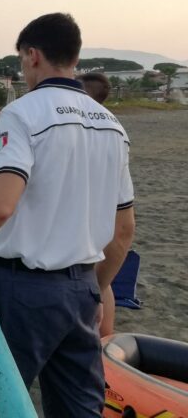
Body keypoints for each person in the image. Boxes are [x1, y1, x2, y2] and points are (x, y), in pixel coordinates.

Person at [0, 13, 135, 417]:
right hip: (82, 288)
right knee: (78, 407)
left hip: (24, 291)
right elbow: (123, 231)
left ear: (33, 55)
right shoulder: (112, 125)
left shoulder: (24, 114)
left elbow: (1, 204)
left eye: (22, 60)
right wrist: (93, 290)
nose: (23, 70)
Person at [79, 71, 117, 337]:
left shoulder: (83, 131)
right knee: (102, 281)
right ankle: (104, 339)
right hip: (103, 218)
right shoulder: (111, 131)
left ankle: (102, 335)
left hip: (83, 219)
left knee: (96, 279)